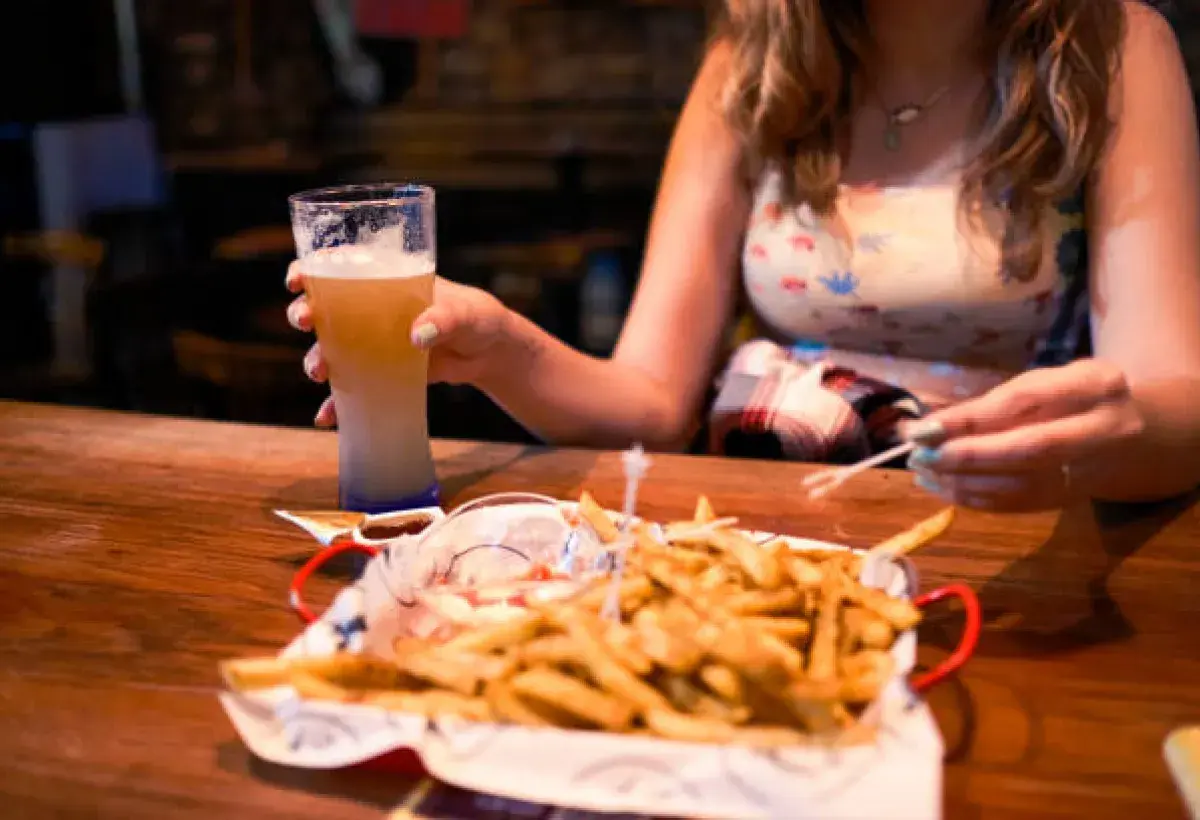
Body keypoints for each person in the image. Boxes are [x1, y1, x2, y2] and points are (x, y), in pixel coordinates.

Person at [287, 0, 1200, 512]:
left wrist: (1099, 443)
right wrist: (500, 348)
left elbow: (1176, 402)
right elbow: (648, 401)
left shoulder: (1111, 45)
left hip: (993, 528)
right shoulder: (750, 57)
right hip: (764, 523)